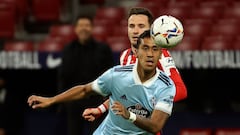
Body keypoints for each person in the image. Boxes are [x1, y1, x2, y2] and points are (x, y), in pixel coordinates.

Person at [27, 30, 176, 135]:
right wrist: (51, 100)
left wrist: (129, 115)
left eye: (155, 49)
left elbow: (156, 125)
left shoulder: (166, 86)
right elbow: (85, 90)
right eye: (145, 48)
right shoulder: (116, 75)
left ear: (160, 53)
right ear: (135, 52)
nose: (150, 54)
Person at [82, 7, 187, 124]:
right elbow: (123, 94)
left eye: (141, 26)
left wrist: (148, 101)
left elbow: (181, 91)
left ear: (151, 30)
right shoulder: (125, 56)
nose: (135, 31)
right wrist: (100, 109)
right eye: (131, 26)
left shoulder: (160, 55)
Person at [57, 15, 114, 135]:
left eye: (87, 25)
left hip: (97, 100)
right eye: (81, 25)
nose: (84, 28)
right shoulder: (68, 50)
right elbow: (63, 76)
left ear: (92, 28)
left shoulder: (103, 49)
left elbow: (111, 76)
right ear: (76, 29)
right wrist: (64, 101)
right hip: (74, 101)